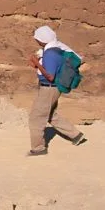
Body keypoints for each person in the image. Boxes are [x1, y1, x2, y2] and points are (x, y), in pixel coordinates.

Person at [27, 26, 87, 156]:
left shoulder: (50, 53)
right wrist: (36, 64)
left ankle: (38, 148)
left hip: (49, 88)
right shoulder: (54, 50)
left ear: (43, 39)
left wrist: (37, 63)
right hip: (51, 88)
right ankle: (76, 135)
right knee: (50, 115)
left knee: (36, 118)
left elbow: (50, 76)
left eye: (37, 39)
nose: (36, 41)